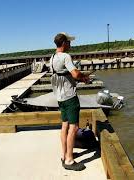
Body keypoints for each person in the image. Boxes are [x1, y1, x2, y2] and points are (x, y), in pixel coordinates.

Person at [50, 32, 90, 171]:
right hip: (70, 97)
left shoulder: (52, 57)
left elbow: (62, 75)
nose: (71, 45)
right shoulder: (66, 56)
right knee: (73, 128)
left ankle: (65, 154)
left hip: (60, 97)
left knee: (64, 126)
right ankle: (69, 160)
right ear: (64, 43)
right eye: (69, 42)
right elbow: (75, 74)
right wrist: (84, 77)